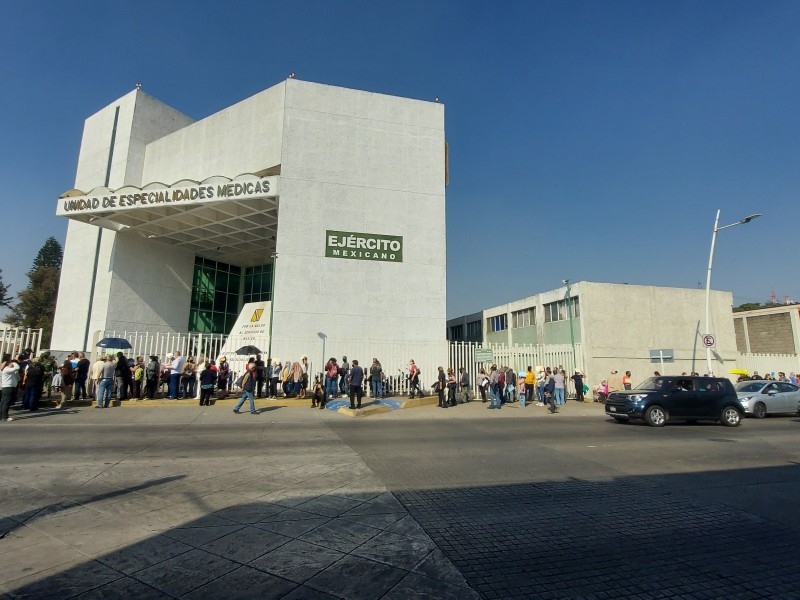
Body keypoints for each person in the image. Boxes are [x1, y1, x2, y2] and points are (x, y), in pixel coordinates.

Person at [1, 355, 20, 422]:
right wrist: (13, 362)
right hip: (8, 387)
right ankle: (5, 417)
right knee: (6, 402)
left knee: (4, 402)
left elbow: (17, 378)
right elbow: (17, 367)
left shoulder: (9, 370)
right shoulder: (7, 369)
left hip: (8, 387)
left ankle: (2, 416)